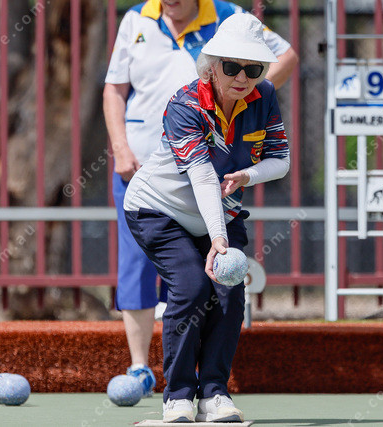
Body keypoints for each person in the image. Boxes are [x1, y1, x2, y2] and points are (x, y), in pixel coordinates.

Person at [103, 0, 297, 397]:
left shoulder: (257, 83)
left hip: (217, 206)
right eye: (232, 67)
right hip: (159, 203)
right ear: (211, 66)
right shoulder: (184, 100)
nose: (242, 77)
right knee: (188, 286)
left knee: (229, 292)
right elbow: (203, 177)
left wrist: (247, 174)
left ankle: (214, 392)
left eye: (253, 70)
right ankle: (168, 388)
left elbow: (280, 158)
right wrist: (219, 239)